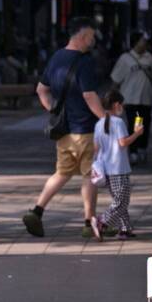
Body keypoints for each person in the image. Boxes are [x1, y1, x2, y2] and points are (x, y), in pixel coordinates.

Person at [23, 17, 105, 239]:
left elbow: (41, 89)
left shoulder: (56, 57)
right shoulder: (84, 62)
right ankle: (89, 222)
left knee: (62, 173)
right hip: (86, 129)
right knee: (89, 175)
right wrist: (106, 119)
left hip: (64, 130)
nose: (92, 41)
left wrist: (54, 110)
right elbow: (89, 95)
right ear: (80, 36)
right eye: (90, 36)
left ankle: (37, 210)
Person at [91, 91, 144, 240]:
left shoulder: (99, 124)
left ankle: (125, 229)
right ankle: (102, 221)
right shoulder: (118, 122)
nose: (123, 107)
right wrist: (137, 133)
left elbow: (96, 148)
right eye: (122, 104)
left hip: (106, 168)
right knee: (122, 201)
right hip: (119, 167)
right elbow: (123, 143)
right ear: (116, 105)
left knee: (119, 198)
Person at [110, 31, 152, 165]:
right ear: (136, 42)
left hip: (146, 99)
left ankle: (142, 148)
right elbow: (116, 79)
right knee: (134, 125)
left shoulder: (149, 58)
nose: (145, 43)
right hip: (130, 99)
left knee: (145, 124)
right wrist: (112, 98)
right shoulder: (125, 58)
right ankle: (134, 151)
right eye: (142, 40)